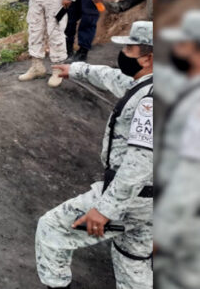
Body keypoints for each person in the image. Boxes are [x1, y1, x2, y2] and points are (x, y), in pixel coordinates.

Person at [37, 21, 154, 289]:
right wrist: (75, 70)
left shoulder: (150, 101)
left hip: (133, 198)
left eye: (130, 50)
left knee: (52, 229)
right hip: (155, 202)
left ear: (148, 58)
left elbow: (140, 162)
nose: (123, 55)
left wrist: (105, 209)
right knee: (132, 261)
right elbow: (112, 77)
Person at [154, 10, 200, 288]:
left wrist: (162, 232)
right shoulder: (189, 85)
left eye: (181, 44)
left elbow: (190, 176)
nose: (175, 49)